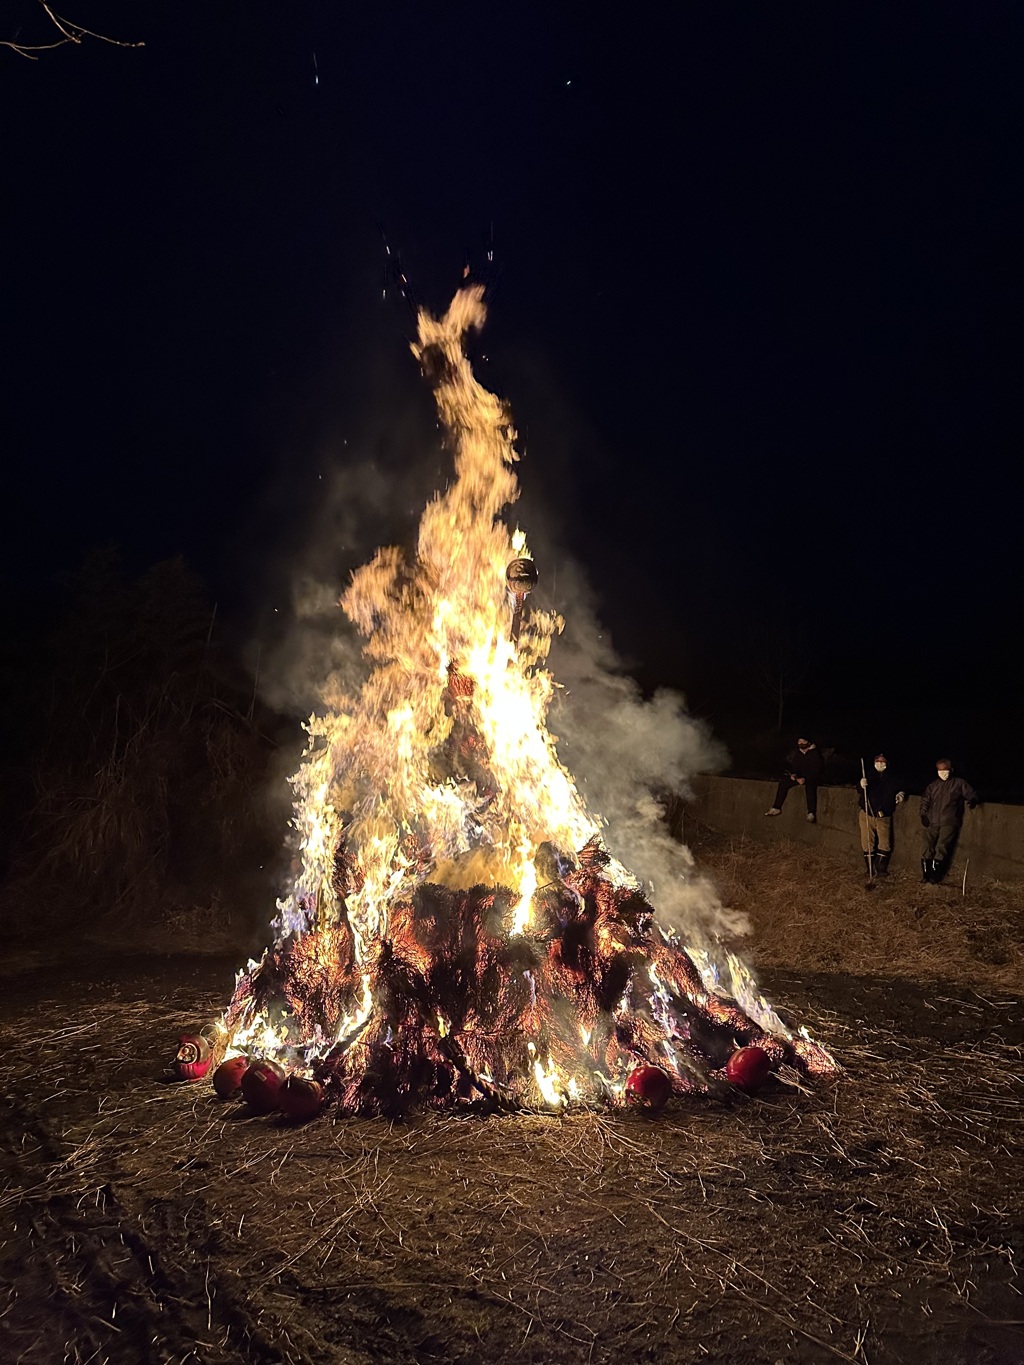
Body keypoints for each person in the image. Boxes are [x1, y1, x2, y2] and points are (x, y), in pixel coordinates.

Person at [919, 759, 978, 882]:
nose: (943, 772)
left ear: (951, 770)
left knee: (942, 847)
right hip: (932, 821)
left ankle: (936, 876)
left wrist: (972, 800)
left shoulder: (958, 783)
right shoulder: (933, 785)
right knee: (927, 847)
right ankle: (926, 875)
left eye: (945, 770)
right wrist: (923, 815)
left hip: (949, 821)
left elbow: (970, 793)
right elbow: (925, 800)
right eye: (940, 770)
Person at [856, 753, 905, 877]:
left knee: (885, 843)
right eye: (878, 761)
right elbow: (860, 790)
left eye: (883, 762)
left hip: (884, 815)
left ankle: (881, 868)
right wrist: (861, 785)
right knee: (867, 841)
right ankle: (870, 869)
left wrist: (901, 794)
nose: (880, 763)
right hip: (867, 813)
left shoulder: (893, 777)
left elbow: (901, 787)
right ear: (874, 763)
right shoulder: (868, 776)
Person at [764, 737, 825, 823]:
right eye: (799, 741)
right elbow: (795, 767)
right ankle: (776, 807)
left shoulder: (815, 753)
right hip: (800, 777)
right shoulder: (798, 753)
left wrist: (805, 778)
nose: (801, 743)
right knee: (784, 783)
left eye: (803, 741)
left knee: (810, 787)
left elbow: (817, 770)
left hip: (812, 778)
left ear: (808, 742)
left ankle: (811, 812)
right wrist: (794, 775)